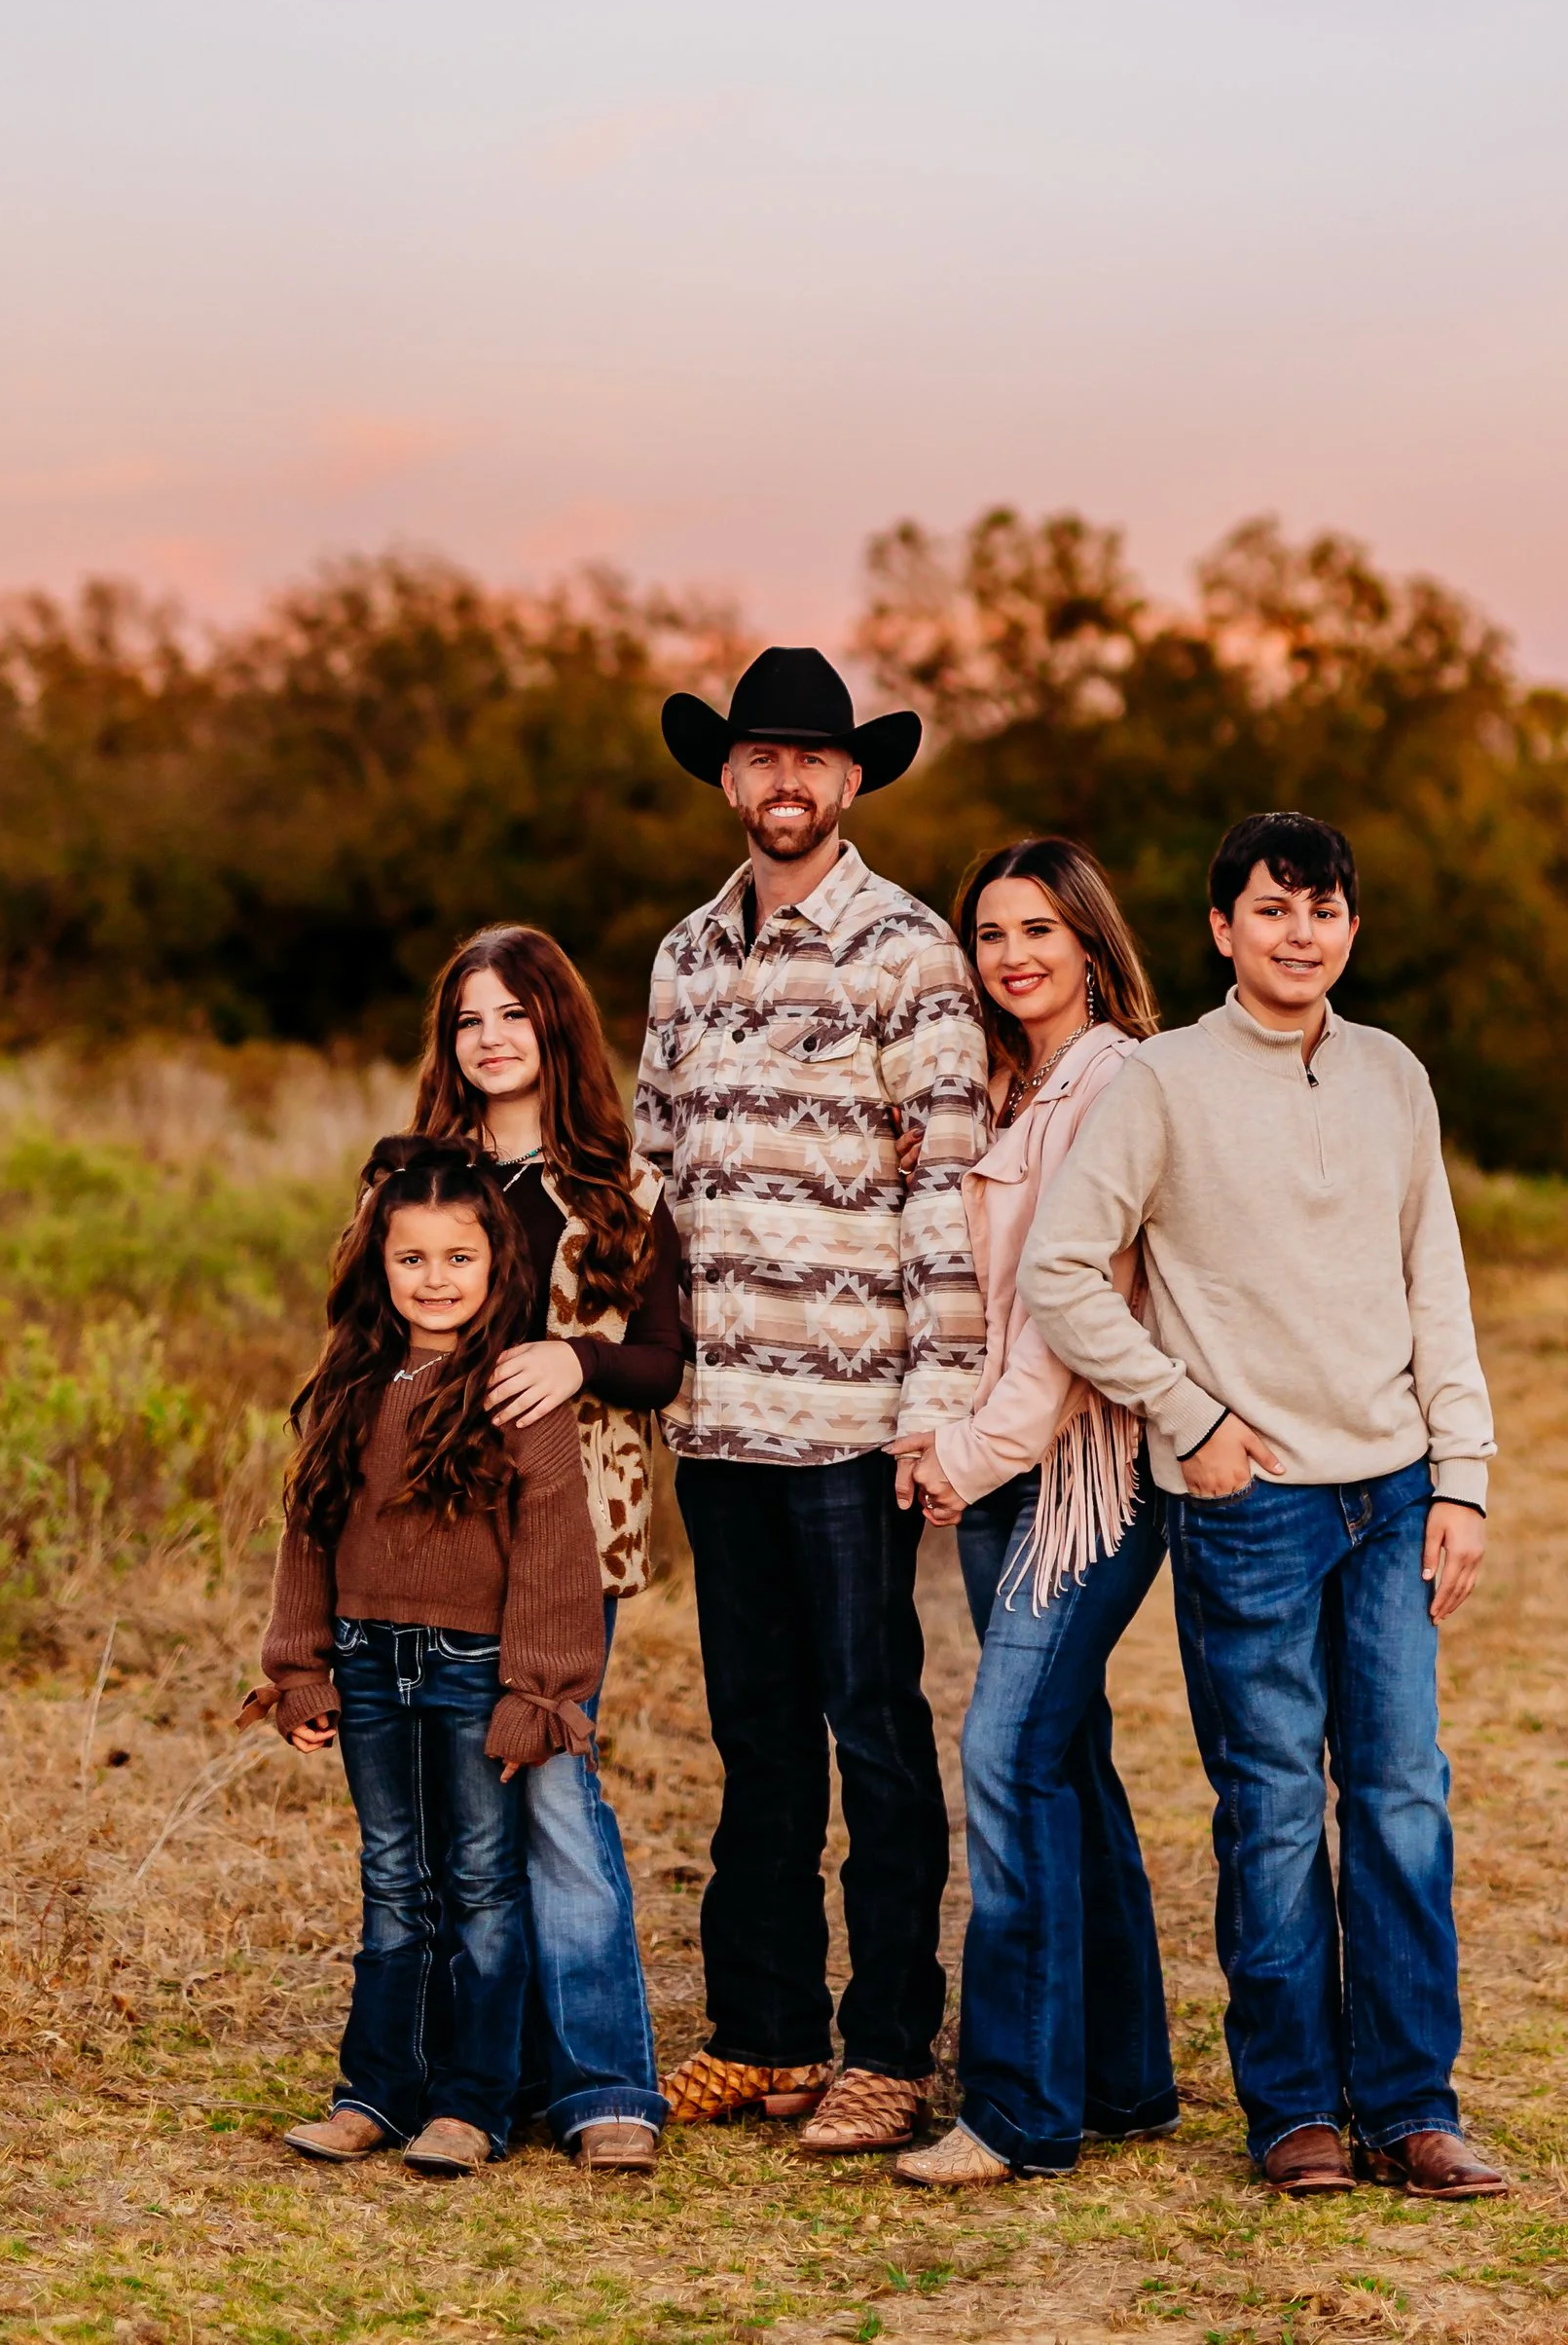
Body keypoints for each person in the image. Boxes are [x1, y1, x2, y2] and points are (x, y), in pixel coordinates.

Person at [1021, 811, 1509, 2204]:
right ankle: (1294, 2107)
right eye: (1272, 907)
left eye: (1326, 908)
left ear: (1352, 925)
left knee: (1405, 1796)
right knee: (1277, 1805)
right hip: (1249, 1503)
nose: (1302, 931)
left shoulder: (1394, 1075)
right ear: (1222, 927)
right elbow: (1063, 1268)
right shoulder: (1162, 1083)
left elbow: (1438, 1284)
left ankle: (1413, 2105)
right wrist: (1193, 1417)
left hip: (1392, 1484)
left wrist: (1461, 1476)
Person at [638, 644, 991, 2158]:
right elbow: (647, 1177)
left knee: (877, 1730)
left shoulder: (910, 952)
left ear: (852, 780)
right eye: (759, 757)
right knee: (756, 1731)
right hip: (718, 1417)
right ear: (726, 776)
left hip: (853, 1419)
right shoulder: (681, 958)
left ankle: (892, 2043)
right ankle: (763, 2030)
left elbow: (947, 1187)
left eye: (814, 759)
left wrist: (938, 1401)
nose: (785, 781)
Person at [885, 836, 1179, 2191]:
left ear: (1090, 937)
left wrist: (963, 1455)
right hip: (1011, 1479)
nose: (1012, 954)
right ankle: (1123, 2074)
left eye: (1039, 928)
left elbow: (1073, 1318)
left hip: (1081, 1483)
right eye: (991, 931)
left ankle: (1016, 2108)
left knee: (1003, 1758)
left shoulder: (1118, 1079)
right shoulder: (1005, 1089)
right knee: (1065, 1760)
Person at [245, 1146, 605, 2178]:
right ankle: (375, 2093)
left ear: (499, 1265)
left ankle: (471, 2105)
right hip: (363, 1663)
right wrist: (299, 1670)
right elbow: (307, 1536)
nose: (436, 1279)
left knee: (484, 1886)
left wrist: (537, 1691)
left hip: (474, 1670)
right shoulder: (348, 1387)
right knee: (393, 1882)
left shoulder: (518, 1393)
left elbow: (554, 1551)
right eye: (412, 1259)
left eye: (459, 1256)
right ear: (379, 1265)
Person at [386, 922, 683, 2166]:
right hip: (436, 1543)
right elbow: (369, 1335)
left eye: (515, 1013)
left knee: (556, 1791)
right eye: (470, 1018)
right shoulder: (415, 1179)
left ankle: (607, 2084)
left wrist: (578, 1356)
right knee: (457, 1815)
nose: (492, 1036)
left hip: (571, 1540)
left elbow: (663, 1363)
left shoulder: (622, 1190)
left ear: (557, 1026)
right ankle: (474, 2083)